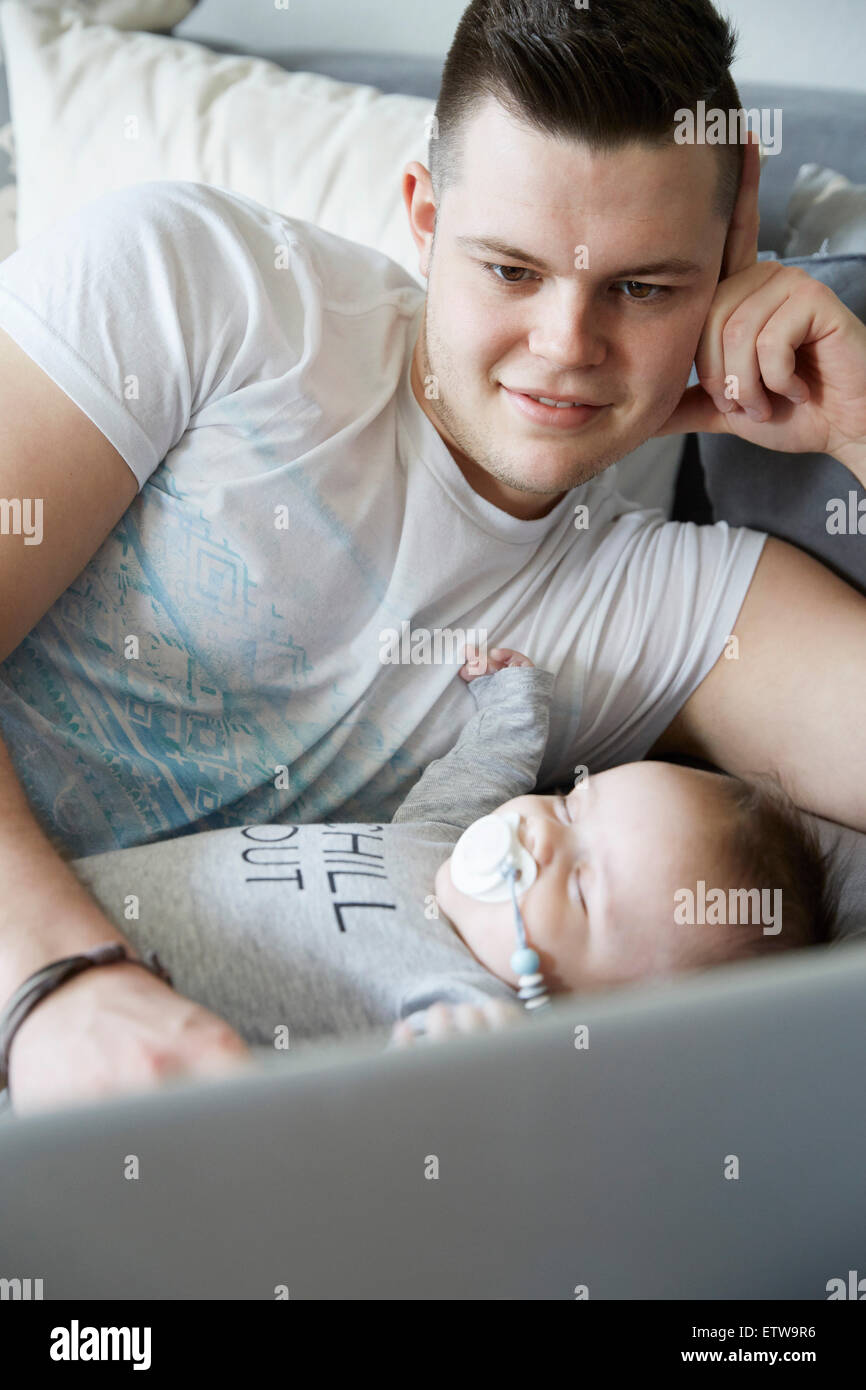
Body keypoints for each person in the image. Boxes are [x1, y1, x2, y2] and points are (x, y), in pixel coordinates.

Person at [1, 0, 865, 1113]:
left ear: (734, 227)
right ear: (422, 212)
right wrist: (59, 985)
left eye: (639, 287)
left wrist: (857, 422)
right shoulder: (200, 287)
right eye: (508, 269)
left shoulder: (667, 607)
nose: (563, 349)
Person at [2, 644, 837, 1111]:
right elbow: (487, 768)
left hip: (74, 1073)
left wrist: (469, 1081)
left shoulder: (474, 1009)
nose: (540, 834)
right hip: (47, 922)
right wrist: (515, 697)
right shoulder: (440, 842)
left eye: (583, 890)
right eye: (576, 804)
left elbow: (435, 1130)